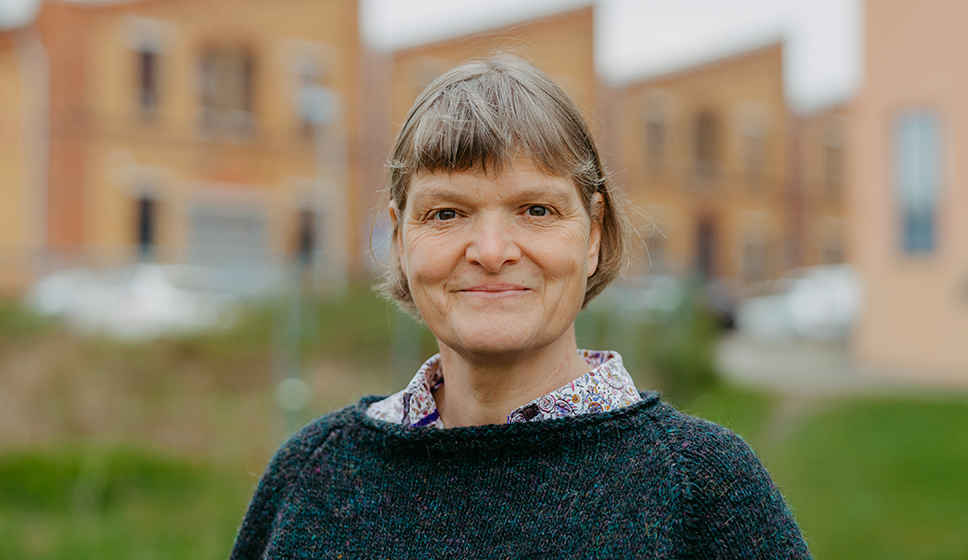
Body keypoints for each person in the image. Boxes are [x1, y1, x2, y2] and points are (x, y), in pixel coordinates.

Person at [230, 54, 811, 559]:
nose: (489, 252)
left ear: (592, 234)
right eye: (446, 213)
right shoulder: (312, 476)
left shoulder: (701, 487)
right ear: (400, 239)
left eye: (536, 210)